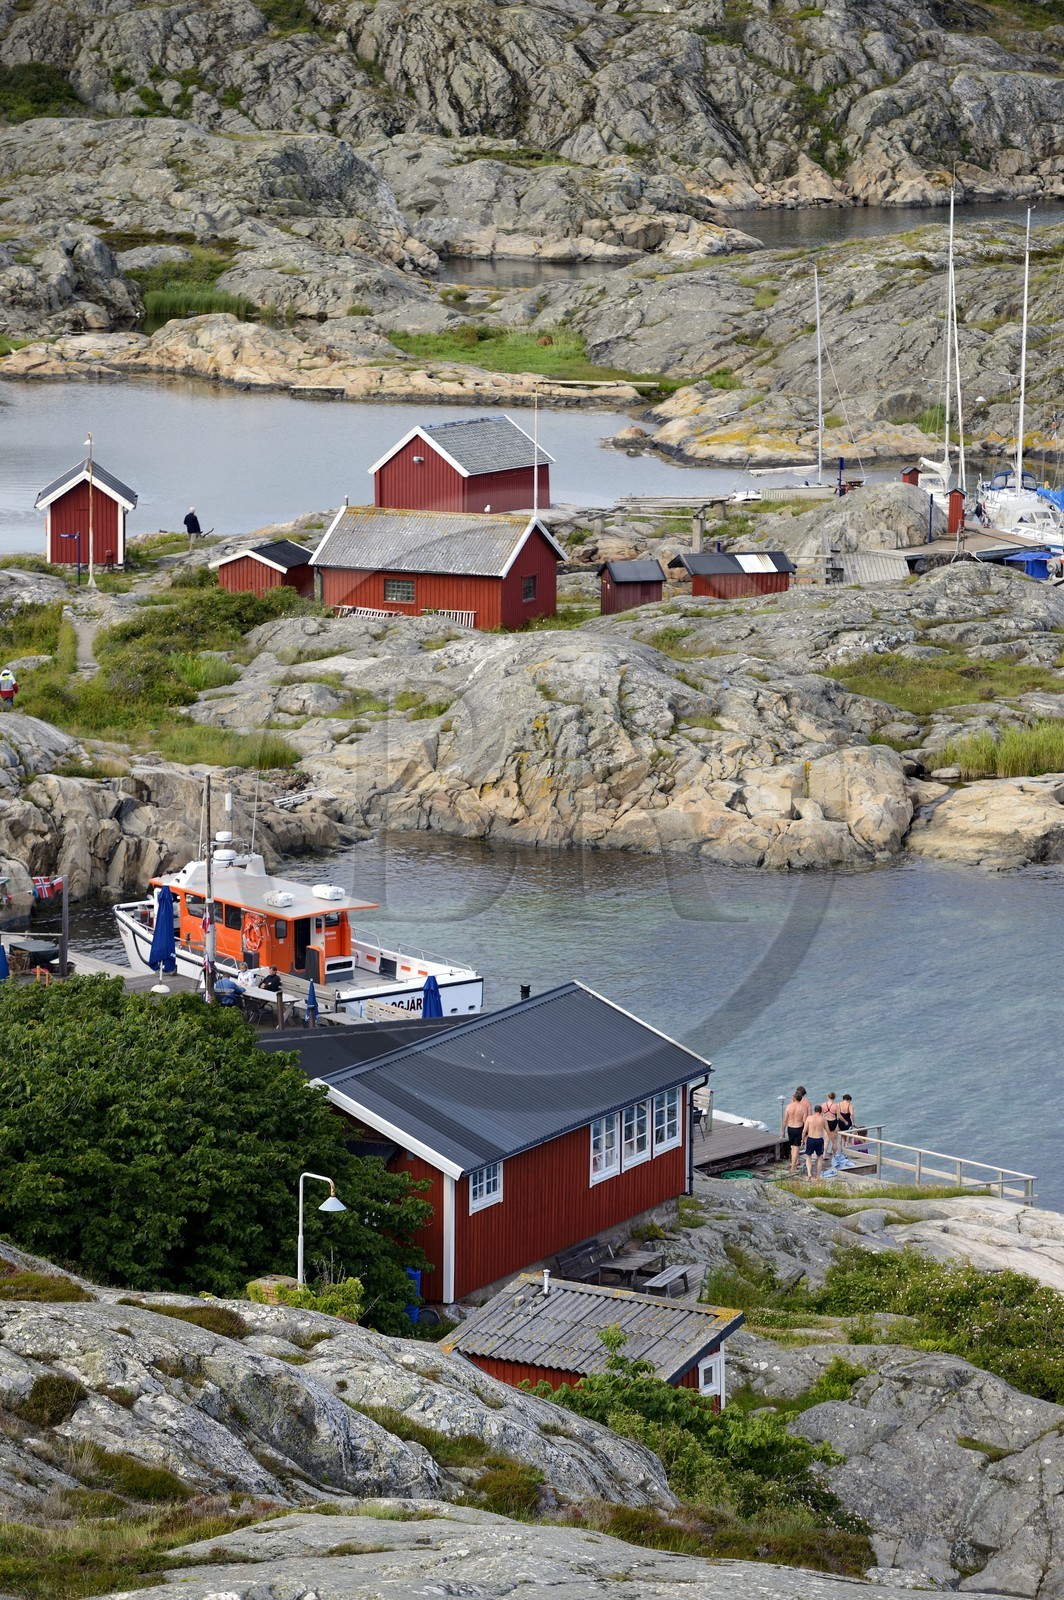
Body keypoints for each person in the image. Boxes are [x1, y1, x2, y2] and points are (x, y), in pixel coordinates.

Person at [781, 1086, 810, 1175]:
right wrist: (805, 1132)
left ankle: (793, 1163)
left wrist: (783, 1131)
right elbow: (805, 1121)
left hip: (790, 1128)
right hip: (799, 1128)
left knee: (792, 1146)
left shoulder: (788, 1106)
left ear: (794, 1098)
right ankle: (793, 1165)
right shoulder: (803, 1108)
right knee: (796, 1147)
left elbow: (785, 1119)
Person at [804, 1104, 827, 1180]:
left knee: (808, 1156)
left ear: (814, 1111)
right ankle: (818, 1176)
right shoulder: (823, 1119)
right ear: (821, 1111)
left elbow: (804, 1130)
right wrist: (832, 1139)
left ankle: (809, 1173)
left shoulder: (809, 1118)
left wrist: (802, 1139)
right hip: (819, 1139)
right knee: (819, 1157)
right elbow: (828, 1130)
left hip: (810, 1139)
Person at [824, 1091, 840, 1162]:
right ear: (834, 1097)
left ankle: (824, 1154)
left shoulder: (824, 1105)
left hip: (826, 1122)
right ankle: (834, 1155)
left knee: (826, 1140)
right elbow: (838, 1116)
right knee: (834, 1141)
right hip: (833, 1122)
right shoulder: (835, 1105)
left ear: (828, 1097)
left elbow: (821, 1115)